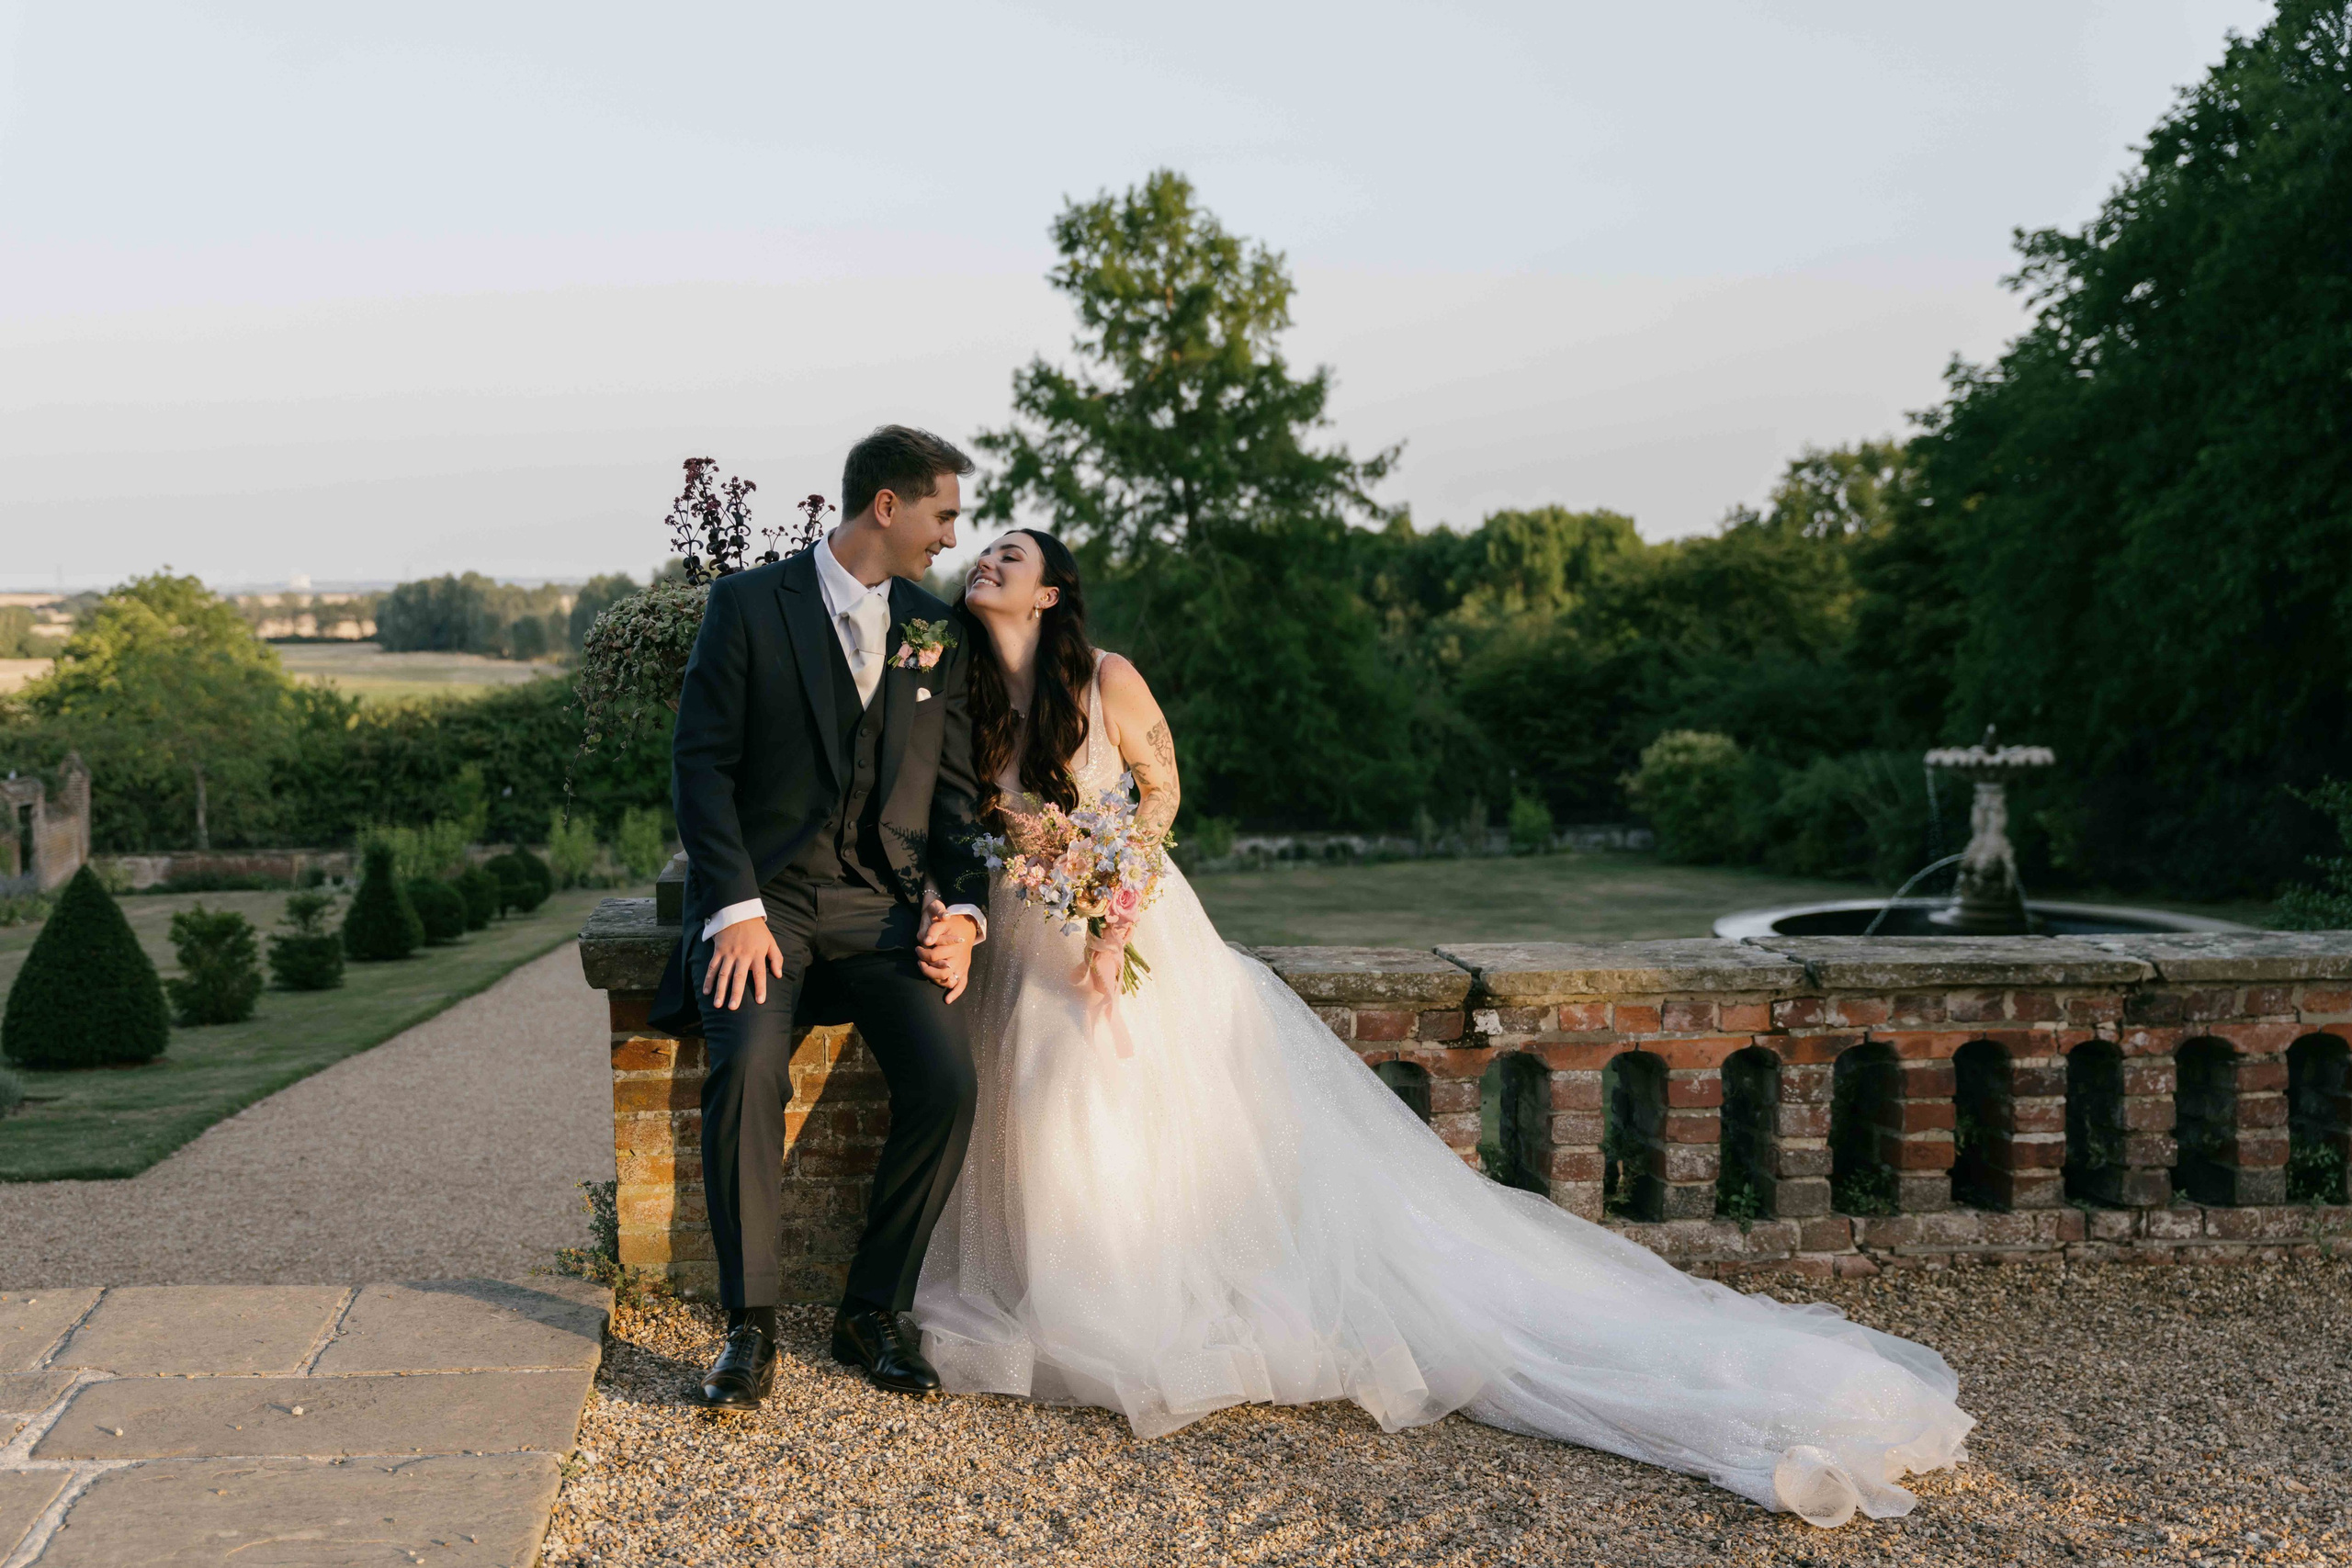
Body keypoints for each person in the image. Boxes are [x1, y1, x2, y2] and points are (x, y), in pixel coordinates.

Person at [910, 527, 1976, 1529]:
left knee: (1103, 1091)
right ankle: (1081, 1298)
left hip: (1132, 924)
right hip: (1026, 932)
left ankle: (1129, 1310)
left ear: (1052, 592)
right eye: (985, 550)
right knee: (1043, 1097)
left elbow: (1161, 794)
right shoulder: (969, 696)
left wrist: (1112, 912)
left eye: (1012, 553)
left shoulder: (1107, 678)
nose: (988, 559)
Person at [657, 424, 989, 1410]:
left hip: (880, 911)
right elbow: (701, 767)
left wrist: (963, 912)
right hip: (768, 906)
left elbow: (955, 799)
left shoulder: (933, 629)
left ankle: (870, 1309)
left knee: (946, 1081)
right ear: (887, 506)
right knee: (747, 1068)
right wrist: (734, 908)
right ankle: (749, 1325)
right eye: (942, 515)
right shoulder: (748, 605)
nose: (951, 536)